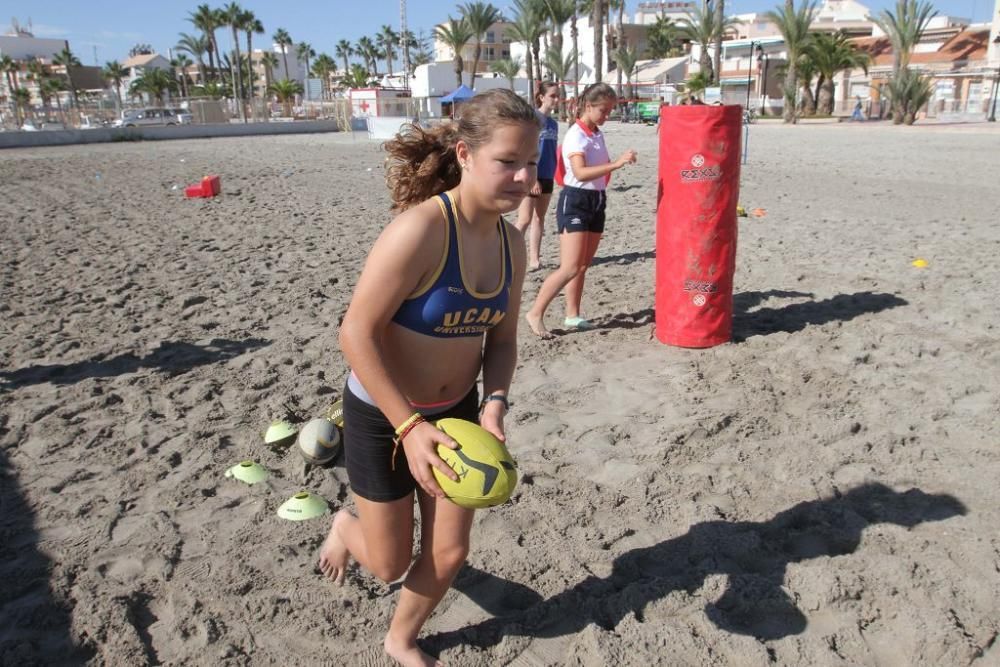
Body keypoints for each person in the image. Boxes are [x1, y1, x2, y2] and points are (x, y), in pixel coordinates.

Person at [318, 88, 537, 667]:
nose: (522, 178)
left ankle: (400, 638)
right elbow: (355, 333)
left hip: (458, 413)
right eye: (507, 162)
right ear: (465, 155)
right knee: (390, 563)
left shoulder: (512, 245)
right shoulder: (419, 232)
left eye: (532, 163)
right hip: (383, 413)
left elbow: (505, 339)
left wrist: (493, 403)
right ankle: (346, 525)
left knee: (449, 549)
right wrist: (409, 426)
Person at [525, 83, 637, 339]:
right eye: (603, 110)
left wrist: (611, 169)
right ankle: (535, 312)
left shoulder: (596, 133)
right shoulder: (576, 134)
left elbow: (597, 173)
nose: (607, 115)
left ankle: (572, 315)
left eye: (610, 110)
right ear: (588, 106)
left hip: (597, 200)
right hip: (575, 200)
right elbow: (579, 173)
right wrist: (616, 164)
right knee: (570, 266)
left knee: (583, 265)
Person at [514, 82, 560, 272]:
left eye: (558, 96)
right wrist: (533, 178)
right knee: (524, 219)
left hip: (548, 175)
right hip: (531, 176)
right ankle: (508, 254)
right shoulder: (533, 119)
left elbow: (550, 152)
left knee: (539, 218)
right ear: (542, 97)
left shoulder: (554, 123)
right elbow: (524, 151)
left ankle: (534, 259)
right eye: (553, 96)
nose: (556, 100)